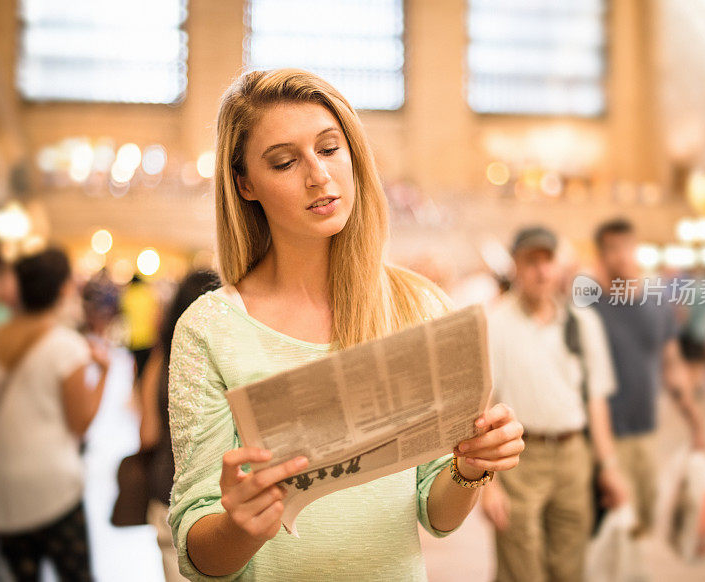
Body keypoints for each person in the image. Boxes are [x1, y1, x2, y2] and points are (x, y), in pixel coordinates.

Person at [167, 68, 525, 581]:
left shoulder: (418, 306)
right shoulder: (211, 329)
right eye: (286, 162)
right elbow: (196, 553)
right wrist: (241, 526)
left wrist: (470, 466)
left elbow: (436, 515)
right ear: (245, 183)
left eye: (330, 149)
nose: (318, 175)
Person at [482, 226, 629, 582]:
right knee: (521, 568)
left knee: (571, 566)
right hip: (519, 459)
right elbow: (481, 407)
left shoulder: (583, 323)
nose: (541, 270)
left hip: (573, 456)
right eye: (531, 261)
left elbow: (596, 401)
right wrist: (487, 484)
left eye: (547, 260)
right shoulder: (493, 324)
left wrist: (607, 465)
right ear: (515, 266)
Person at [0, 248, 110, 581]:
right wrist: (103, 373)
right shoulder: (65, 346)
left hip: (3, 492)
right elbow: (81, 423)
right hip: (53, 489)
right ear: (62, 289)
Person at [593, 218, 705, 539]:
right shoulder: (591, 306)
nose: (621, 256)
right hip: (603, 438)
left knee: (642, 520)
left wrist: (696, 424)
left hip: (645, 432)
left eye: (627, 246)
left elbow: (673, 367)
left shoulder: (658, 303)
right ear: (602, 255)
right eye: (611, 249)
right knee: (611, 527)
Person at [138, 270, 220, 582]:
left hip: (168, 493)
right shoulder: (227, 358)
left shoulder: (161, 357)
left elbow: (147, 435)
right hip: (221, 501)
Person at [121, 273, 160, 380]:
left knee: (135, 363)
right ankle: (142, 384)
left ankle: (135, 382)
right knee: (145, 365)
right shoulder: (148, 294)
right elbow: (155, 315)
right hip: (148, 336)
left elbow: (123, 314)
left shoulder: (128, 295)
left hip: (132, 336)